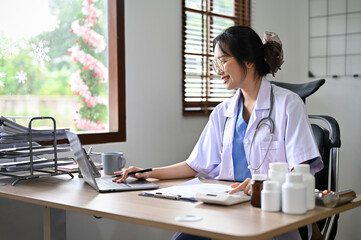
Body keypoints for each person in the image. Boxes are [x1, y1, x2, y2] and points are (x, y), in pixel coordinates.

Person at [113, 25, 323, 240]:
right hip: (227, 207)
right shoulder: (222, 113)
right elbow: (195, 164)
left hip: (270, 213)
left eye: (223, 61)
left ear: (249, 60)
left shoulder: (289, 105)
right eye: (216, 62)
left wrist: (267, 183)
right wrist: (149, 172)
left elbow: (300, 172)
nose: (218, 70)